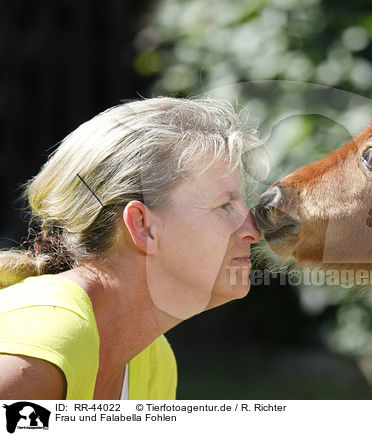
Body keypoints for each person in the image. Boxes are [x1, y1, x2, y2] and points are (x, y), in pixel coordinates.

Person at [0, 97, 264, 400]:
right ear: (142, 226)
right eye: (224, 205)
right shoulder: (41, 342)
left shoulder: (151, 360)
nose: (252, 231)